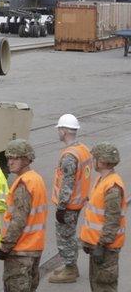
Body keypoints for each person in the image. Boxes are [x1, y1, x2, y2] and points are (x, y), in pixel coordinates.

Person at [0, 139, 47, 292]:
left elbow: (18, 220)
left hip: (21, 251)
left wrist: (5, 246)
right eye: (8, 158)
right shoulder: (36, 179)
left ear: (26, 159)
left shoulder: (24, 184)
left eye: (14, 158)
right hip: (34, 247)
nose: (10, 162)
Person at [79, 142, 126, 292]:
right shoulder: (101, 180)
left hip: (106, 248)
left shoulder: (112, 186)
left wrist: (101, 244)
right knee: (98, 289)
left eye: (95, 158)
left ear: (102, 161)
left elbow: (112, 220)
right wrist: (89, 242)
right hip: (98, 245)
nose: (93, 160)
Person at [49, 114, 93, 283]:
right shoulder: (83, 149)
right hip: (79, 201)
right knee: (69, 235)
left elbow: (67, 183)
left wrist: (61, 207)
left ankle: (70, 269)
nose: (58, 132)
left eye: (59, 129)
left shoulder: (69, 156)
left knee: (65, 237)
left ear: (65, 131)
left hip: (69, 204)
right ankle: (70, 265)